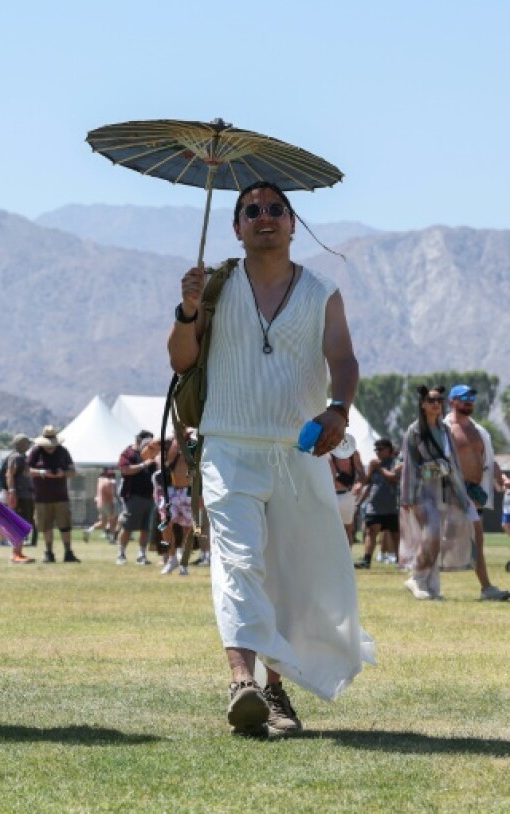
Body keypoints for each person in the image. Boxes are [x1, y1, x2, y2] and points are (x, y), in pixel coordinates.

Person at [168, 181, 374, 737]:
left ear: (292, 221)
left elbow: (344, 357)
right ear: (236, 227)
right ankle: (242, 682)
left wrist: (339, 408)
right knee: (238, 564)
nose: (264, 216)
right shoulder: (213, 287)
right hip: (228, 447)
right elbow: (181, 359)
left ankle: (277, 693)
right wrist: (188, 310)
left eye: (275, 209)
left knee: (289, 578)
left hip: (298, 451)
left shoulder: (322, 291)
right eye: (252, 210)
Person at [399, 386, 475, 599]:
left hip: (443, 489)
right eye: (431, 400)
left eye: (439, 400)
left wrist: (461, 494)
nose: (436, 404)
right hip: (421, 490)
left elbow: (455, 463)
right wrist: (407, 496)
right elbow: (409, 465)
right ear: (422, 404)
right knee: (431, 533)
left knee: (437, 539)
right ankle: (417, 577)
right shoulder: (414, 430)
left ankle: (432, 586)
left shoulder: (445, 430)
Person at [442, 384, 508, 601]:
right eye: (464, 397)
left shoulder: (479, 431)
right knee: (441, 539)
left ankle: (486, 588)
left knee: (475, 540)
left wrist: (499, 475)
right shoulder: (444, 429)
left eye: (471, 397)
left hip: (474, 494)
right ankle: (422, 578)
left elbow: (487, 458)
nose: (469, 401)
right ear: (452, 401)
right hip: (450, 493)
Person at [27, 426, 79, 563]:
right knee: (46, 526)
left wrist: (63, 473)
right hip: (41, 498)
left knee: (65, 525)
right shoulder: (35, 452)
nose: (50, 447)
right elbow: (27, 470)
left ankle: (68, 552)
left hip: (61, 497)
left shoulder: (63, 452)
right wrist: (42, 472)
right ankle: (49, 553)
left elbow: (73, 471)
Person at [354, 439, 400, 569]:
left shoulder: (395, 462)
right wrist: (359, 503)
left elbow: (394, 478)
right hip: (375, 506)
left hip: (392, 506)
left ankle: (399, 560)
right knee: (371, 531)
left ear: (388, 450)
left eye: (380, 449)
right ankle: (367, 560)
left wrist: (379, 468)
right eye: (376, 450)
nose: (377, 452)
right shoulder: (375, 465)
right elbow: (368, 484)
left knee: (395, 534)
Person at [116, 430, 157, 565]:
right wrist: (143, 465)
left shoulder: (151, 454)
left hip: (149, 496)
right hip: (133, 496)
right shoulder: (128, 453)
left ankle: (142, 555)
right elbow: (125, 469)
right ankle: (121, 554)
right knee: (128, 527)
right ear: (138, 441)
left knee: (146, 528)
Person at [156, 435, 193, 576]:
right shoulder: (169, 442)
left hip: (188, 490)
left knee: (189, 528)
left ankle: (183, 560)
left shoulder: (195, 440)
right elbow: (150, 455)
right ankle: (172, 558)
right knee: (165, 523)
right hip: (170, 490)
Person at [2, 434, 35, 564]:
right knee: (17, 524)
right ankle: (15, 553)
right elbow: (10, 474)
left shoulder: (22, 457)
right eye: (27, 443)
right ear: (22, 444)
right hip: (19, 495)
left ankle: (19, 552)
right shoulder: (15, 457)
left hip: (25, 495)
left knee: (23, 523)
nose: (29, 446)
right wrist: (12, 491)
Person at [329, 447, 365, 550]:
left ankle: (347, 560)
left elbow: (362, 474)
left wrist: (359, 484)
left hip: (346, 495)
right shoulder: (325, 451)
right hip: (329, 495)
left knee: (347, 529)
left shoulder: (352, 452)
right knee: (328, 529)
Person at [84, 467, 118, 544]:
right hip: (107, 503)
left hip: (99, 504)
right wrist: (113, 506)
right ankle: (112, 539)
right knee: (113, 521)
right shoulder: (109, 482)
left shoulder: (100, 480)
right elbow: (111, 495)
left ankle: (89, 531)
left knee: (103, 523)